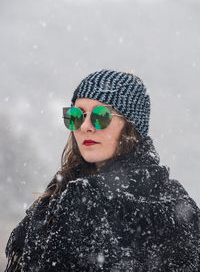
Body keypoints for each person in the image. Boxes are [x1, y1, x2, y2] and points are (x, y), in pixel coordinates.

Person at [5, 69, 200, 272]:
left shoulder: (175, 209)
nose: (85, 126)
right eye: (76, 116)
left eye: (101, 116)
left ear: (130, 125)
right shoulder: (56, 196)